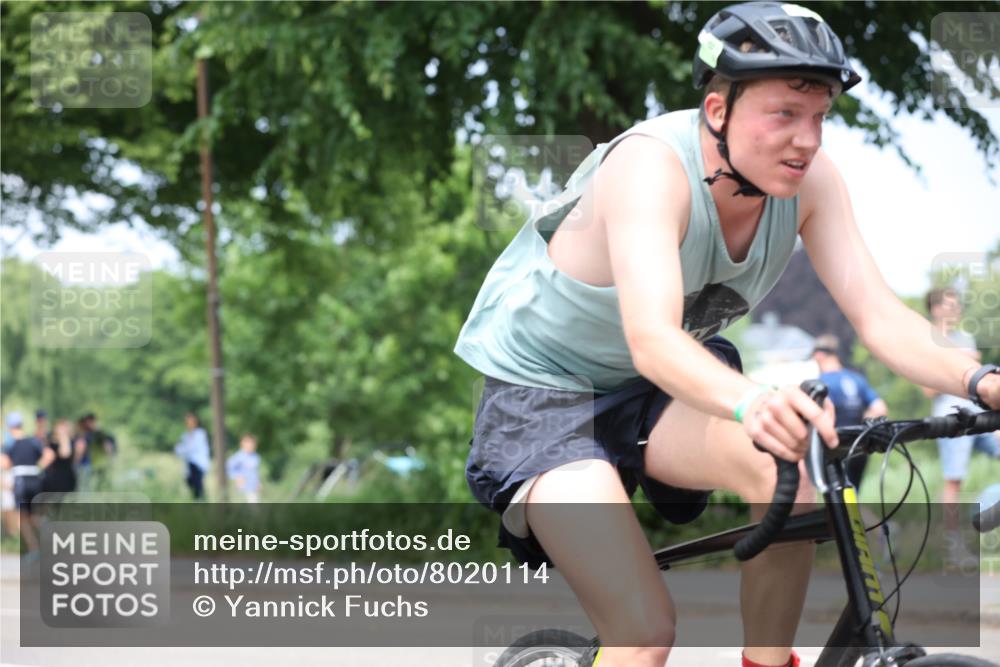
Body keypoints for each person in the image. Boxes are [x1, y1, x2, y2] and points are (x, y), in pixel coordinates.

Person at [453, 4, 1000, 666]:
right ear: (718, 111)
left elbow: (880, 317)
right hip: (545, 397)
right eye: (784, 114)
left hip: (651, 389)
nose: (807, 139)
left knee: (791, 474)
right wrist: (751, 399)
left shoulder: (812, 185)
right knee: (643, 628)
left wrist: (980, 380)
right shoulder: (651, 167)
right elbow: (652, 336)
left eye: (819, 117)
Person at [921, 288, 1000, 551]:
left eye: (958, 305)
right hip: (951, 418)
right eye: (950, 305)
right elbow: (929, 389)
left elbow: (979, 380)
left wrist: (957, 366)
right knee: (954, 480)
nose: (956, 309)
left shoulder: (966, 338)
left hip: (981, 416)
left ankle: (988, 501)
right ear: (935, 308)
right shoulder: (928, 342)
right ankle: (953, 545)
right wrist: (963, 364)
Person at [811, 334, 887, 488]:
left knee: (839, 499)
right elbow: (880, 409)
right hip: (860, 445)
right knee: (853, 493)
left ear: (818, 355)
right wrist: (862, 422)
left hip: (835, 448)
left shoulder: (821, 383)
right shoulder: (856, 379)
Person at [0, 412, 54, 558]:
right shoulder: (33, 441)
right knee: (35, 517)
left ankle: (34, 548)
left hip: (20, 482)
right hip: (35, 480)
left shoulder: (10, 444)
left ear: (10, 427)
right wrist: (37, 467)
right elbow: (49, 455)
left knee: (22, 518)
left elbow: (4, 464)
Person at [42, 418, 83, 501]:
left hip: (67, 476)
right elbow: (62, 454)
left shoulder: (72, 441)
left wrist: (64, 438)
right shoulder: (51, 442)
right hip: (54, 476)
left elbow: (69, 456)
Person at [175, 412, 211, 500]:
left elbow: (189, 448)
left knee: (198, 487)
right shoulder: (186, 436)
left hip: (198, 464)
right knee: (191, 485)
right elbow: (179, 449)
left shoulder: (200, 434)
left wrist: (182, 449)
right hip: (189, 465)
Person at [226, 433, 262, 503]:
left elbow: (255, 472)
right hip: (243, 489)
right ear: (242, 444)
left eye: (252, 443)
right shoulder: (239, 456)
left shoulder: (256, 456)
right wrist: (237, 477)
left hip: (253, 488)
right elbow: (228, 467)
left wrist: (258, 483)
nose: (250, 445)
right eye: (248, 443)